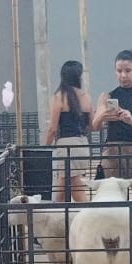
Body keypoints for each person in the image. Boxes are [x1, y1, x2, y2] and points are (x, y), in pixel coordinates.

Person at [90, 49, 132, 202]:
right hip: (112, 152)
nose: (123, 75)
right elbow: (95, 126)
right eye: (119, 71)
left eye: (128, 71)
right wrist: (103, 115)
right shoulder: (107, 96)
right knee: (110, 202)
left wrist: (131, 120)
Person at [42, 60, 93, 203]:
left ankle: (86, 211)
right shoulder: (86, 97)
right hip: (82, 143)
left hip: (66, 144)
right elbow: (91, 125)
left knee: (73, 183)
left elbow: (52, 128)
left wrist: (45, 147)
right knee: (64, 182)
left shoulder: (59, 97)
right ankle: (58, 211)